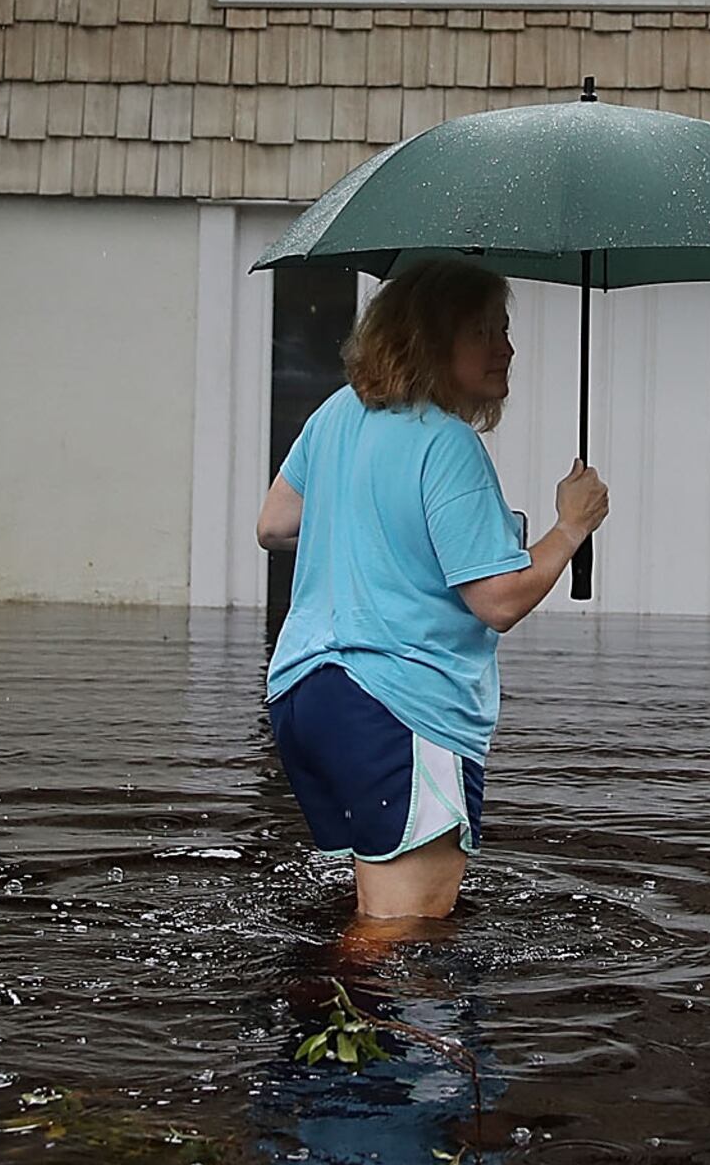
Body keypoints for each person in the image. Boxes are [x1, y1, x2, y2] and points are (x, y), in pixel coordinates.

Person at [255, 258, 607, 932]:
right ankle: (319, 1029)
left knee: (375, 914)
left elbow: (274, 525)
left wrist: (368, 525)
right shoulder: (447, 444)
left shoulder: (337, 413)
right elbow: (498, 601)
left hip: (306, 694)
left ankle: (332, 1026)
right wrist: (571, 527)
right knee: (403, 931)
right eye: (482, 331)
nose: (505, 347)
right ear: (428, 341)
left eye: (503, 328)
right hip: (397, 705)